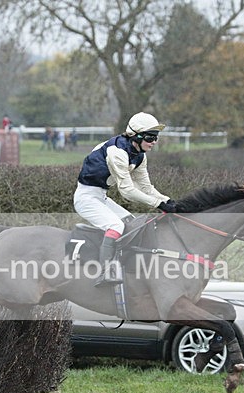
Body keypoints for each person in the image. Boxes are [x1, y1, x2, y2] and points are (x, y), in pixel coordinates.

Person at [74, 112, 176, 286]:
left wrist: (168, 201)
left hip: (100, 196)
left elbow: (146, 187)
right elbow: (127, 191)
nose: (154, 142)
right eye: (150, 137)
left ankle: (126, 265)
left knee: (131, 223)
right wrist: (158, 204)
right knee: (116, 226)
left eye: (156, 137)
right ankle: (106, 272)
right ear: (136, 136)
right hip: (86, 198)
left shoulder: (139, 155)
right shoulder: (117, 152)